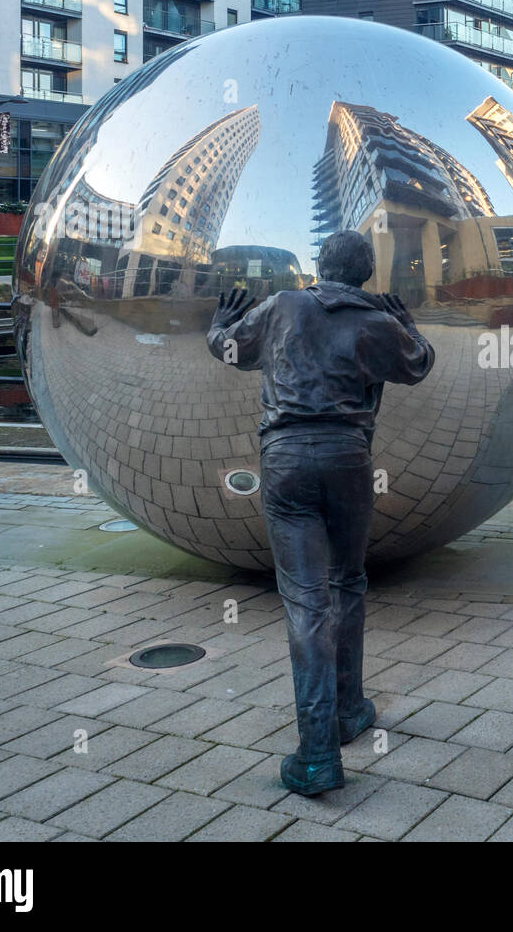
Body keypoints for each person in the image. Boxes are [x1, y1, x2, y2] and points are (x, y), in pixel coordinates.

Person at [207, 230, 434, 796]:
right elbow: (418, 364)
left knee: (307, 600)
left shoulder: (284, 306)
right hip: (348, 460)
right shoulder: (377, 323)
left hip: (286, 462)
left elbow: (229, 348)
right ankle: (348, 709)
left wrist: (215, 325)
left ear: (322, 267)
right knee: (348, 582)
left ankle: (316, 754)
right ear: (365, 274)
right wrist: (407, 327)